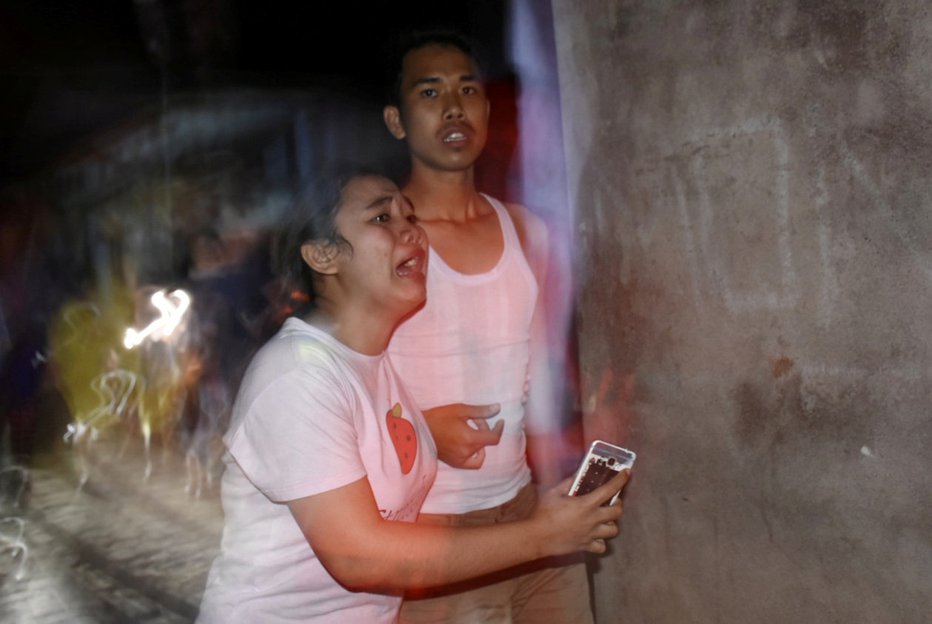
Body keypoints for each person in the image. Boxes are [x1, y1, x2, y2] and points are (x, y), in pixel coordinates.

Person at [196, 170, 628, 623]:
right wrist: (542, 536)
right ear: (324, 255)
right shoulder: (296, 376)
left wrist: (431, 437)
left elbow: (389, 509)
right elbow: (358, 557)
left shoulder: (372, 365)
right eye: (382, 217)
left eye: (410, 216)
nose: (412, 232)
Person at [382, 33, 597, 622]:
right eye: (430, 92)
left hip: (529, 509)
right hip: (431, 529)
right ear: (397, 120)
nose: (453, 107)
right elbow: (336, 387)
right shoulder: (383, 244)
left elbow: (538, 373)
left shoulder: (529, 231)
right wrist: (421, 431)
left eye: (467, 89)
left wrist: (577, 432)